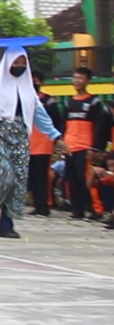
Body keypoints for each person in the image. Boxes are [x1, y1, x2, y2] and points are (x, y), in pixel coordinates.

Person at [0, 45, 66, 239]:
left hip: (21, 134)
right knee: (4, 176)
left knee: (17, 181)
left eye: (23, 62)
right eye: (16, 62)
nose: (19, 66)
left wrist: (56, 136)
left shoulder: (28, 88)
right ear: (7, 62)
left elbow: (39, 114)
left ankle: (6, 224)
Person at [61, 66, 105, 221]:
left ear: (88, 81)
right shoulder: (68, 102)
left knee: (85, 179)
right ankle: (77, 210)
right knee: (71, 179)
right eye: (75, 78)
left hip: (85, 146)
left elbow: (99, 126)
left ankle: (95, 209)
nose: (76, 81)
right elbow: (64, 124)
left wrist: (95, 147)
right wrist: (62, 143)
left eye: (80, 78)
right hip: (69, 146)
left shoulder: (94, 102)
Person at [28, 72, 64, 216]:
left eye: (35, 81)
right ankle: (36, 204)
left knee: (42, 175)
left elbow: (57, 121)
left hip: (44, 142)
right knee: (31, 175)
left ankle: (44, 205)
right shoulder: (24, 99)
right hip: (27, 142)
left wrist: (56, 140)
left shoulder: (49, 101)